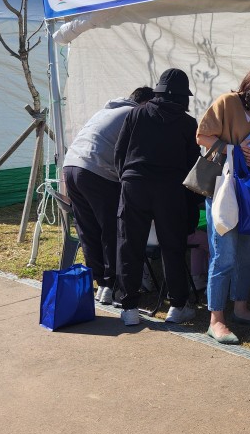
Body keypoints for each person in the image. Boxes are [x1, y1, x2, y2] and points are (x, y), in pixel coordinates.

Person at [196, 60, 250, 344]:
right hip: (223, 189)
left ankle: (241, 307)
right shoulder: (226, 103)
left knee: (247, 253)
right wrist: (234, 151)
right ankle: (216, 319)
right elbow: (202, 136)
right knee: (224, 255)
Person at [115, 69, 200, 326]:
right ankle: (176, 306)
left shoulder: (136, 113)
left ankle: (129, 308)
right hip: (170, 189)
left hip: (134, 184)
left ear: (158, 92)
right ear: (183, 97)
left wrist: (127, 180)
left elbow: (120, 153)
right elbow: (192, 165)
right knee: (172, 247)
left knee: (130, 245)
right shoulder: (187, 123)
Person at [63, 87, 154, 304]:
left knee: (88, 229)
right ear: (145, 104)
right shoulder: (134, 115)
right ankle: (112, 283)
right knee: (111, 229)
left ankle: (102, 284)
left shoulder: (107, 110)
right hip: (97, 171)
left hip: (71, 167)